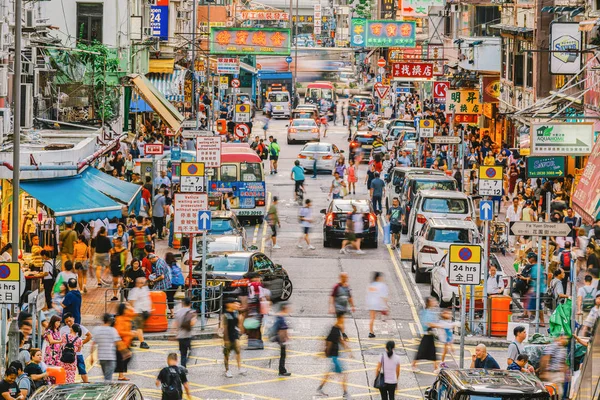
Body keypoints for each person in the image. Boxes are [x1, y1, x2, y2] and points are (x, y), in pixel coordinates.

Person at [316, 315, 351, 399]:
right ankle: (345, 393)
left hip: (335, 357)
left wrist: (348, 349)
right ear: (339, 319)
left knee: (328, 374)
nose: (344, 321)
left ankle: (320, 388)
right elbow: (328, 341)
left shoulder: (337, 329)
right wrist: (325, 353)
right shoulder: (334, 330)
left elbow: (339, 340)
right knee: (343, 375)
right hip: (334, 357)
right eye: (343, 319)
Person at [60, 313, 92, 383]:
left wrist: (81, 343)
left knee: (82, 370)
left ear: (73, 319)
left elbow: (89, 335)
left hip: (78, 354)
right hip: (68, 353)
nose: (68, 323)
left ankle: (86, 383)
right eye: (66, 322)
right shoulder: (63, 329)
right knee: (67, 371)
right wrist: (78, 345)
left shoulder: (80, 327)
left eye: (69, 321)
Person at [90, 313, 122, 382]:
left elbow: (93, 344)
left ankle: (106, 388)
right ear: (110, 320)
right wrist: (125, 353)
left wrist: (92, 357)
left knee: (106, 376)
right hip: (110, 358)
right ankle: (107, 391)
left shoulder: (97, 330)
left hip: (101, 358)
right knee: (108, 379)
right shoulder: (112, 330)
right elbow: (118, 343)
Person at [412, 297, 440, 372]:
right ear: (429, 303)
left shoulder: (429, 311)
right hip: (427, 334)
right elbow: (428, 324)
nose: (435, 302)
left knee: (432, 351)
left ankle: (436, 367)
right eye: (433, 301)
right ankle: (414, 366)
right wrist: (440, 325)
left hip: (430, 334)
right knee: (422, 351)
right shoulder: (427, 312)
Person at [222, 299, 245, 378]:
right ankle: (227, 370)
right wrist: (226, 340)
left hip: (235, 336)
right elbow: (224, 329)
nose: (236, 305)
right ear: (229, 304)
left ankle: (240, 368)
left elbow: (238, 325)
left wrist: (240, 321)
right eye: (234, 304)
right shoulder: (225, 315)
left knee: (238, 351)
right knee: (227, 355)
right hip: (228, 337)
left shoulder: (235, 313)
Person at [127, 277, 151, 349]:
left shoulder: (145, 289)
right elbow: (131, 302)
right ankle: (142, 343)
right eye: (142, 283)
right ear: (138, 283)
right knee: (139, 328)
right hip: (137, 312)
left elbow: (147, 299)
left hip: (144, 312)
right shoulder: (134, 291)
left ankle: (129, 340)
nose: (144, 284)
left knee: (135, 328)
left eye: (144, 282)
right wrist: (131, 312)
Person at [330, 272, 355, 340]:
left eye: (347, 277)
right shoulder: (336, 286)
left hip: (344, 307)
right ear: (341, 278)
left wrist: (352, 306)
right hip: (338, 307)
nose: (346, 278)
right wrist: (331, 307)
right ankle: (342, 334)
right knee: (340, 321)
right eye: (345, 277)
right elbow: (332, 296)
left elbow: (349, 297)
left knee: (340, 322)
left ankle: (336, 333)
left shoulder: (347, 286)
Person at [114, 303, 135, 381]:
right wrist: (130, 333)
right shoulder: (119, 319)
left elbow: (134, 313)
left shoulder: (126, 317)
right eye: (126, 308)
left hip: (126, 342)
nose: (127, 310)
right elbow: (118, 332)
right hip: (121, 343)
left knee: (124, 358)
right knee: (123, 358)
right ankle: (120, 375)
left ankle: (121, 375)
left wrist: (129, 306)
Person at [174, 297, 197, 368]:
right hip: (188, 335)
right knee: (190, 351)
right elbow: (192, 323)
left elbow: (176, 324)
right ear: (190, 304)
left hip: (180, 336)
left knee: (183, 353)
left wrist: (175, 333)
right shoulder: (192, 312)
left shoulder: (178, 312)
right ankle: (184, 364)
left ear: (182, 303)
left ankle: (183, 366)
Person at [366, 272, 389, 338]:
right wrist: (386, 305)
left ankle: (371, 332)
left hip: (371, 303)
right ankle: (383, 319)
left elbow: (368, 294)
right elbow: (384, 296)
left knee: (372, 318)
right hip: (378, 304)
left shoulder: (371, 285)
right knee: (382, 314)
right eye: (381, 277)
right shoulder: (382, 285)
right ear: (378, 278)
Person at [165, 253, 185, 319]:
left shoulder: (166, 265)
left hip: (170, 283)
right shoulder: (177, 264)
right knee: (171, 297)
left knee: (169, 297)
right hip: (176, 283)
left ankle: (172, 313)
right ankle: (172, 312)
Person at [274, 302, 291, 376]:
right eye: (287, 308)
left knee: (283, 355)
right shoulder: (281, 317)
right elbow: (282, 330)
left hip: (281, 339)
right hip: (281, 340)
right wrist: (284, 340)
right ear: (284, 308)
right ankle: (282, 371)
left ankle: (282, 370)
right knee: (283, 355)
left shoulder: (280, 316)